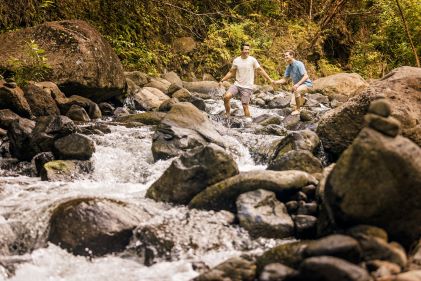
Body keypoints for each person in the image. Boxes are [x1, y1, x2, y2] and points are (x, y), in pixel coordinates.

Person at [219, 43, 274, 119]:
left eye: (248, 50)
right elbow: (231, 72)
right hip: (237, 85)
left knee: (245, 106)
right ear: (241, 50)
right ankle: (227, 114)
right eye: (245, 49)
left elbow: (260, 70)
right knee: (226, 97)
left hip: (247, 87)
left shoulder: (252, 60)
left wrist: (269, 79)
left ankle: (248, 122)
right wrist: (223, 80)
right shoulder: (236, 60)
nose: (247, 51)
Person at [274, 50, 313, 114]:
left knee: (297, 90)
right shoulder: (288, 67)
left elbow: (306, 76)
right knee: (292, 105)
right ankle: (303, 100)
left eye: (286, 55)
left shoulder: (299, 64)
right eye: (284, 56)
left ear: (292, 56)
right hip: (298, 86)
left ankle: (298, 110)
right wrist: (275, 82)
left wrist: (297, 85)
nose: (285, 57)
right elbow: (284, 80)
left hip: (307, 84)